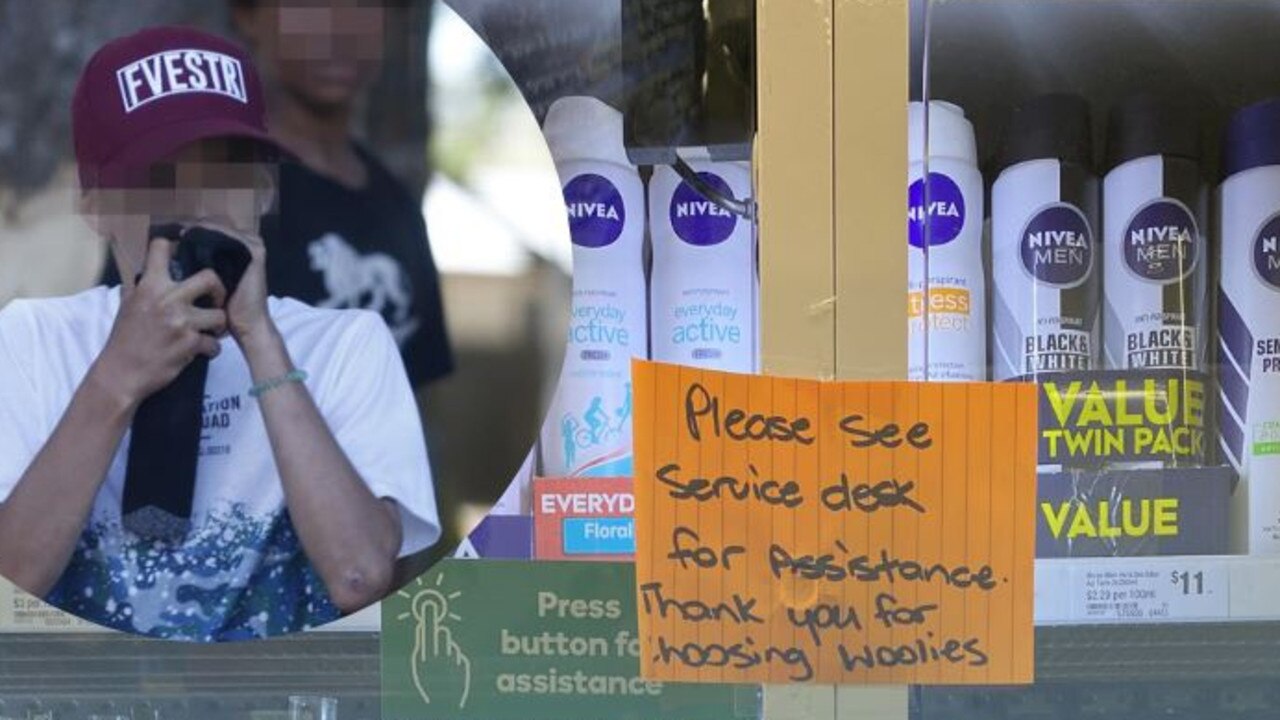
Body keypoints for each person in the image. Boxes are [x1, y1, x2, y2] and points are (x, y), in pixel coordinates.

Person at [0, 26, 439, 641]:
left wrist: (259, 340)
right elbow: (13, 579)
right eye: (161, 178)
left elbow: (361, 577)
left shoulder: (345, 343)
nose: (199, 202)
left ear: (264, 191)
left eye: (226, 173)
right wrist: (119, 375)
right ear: (94, 204)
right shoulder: (34, 340)